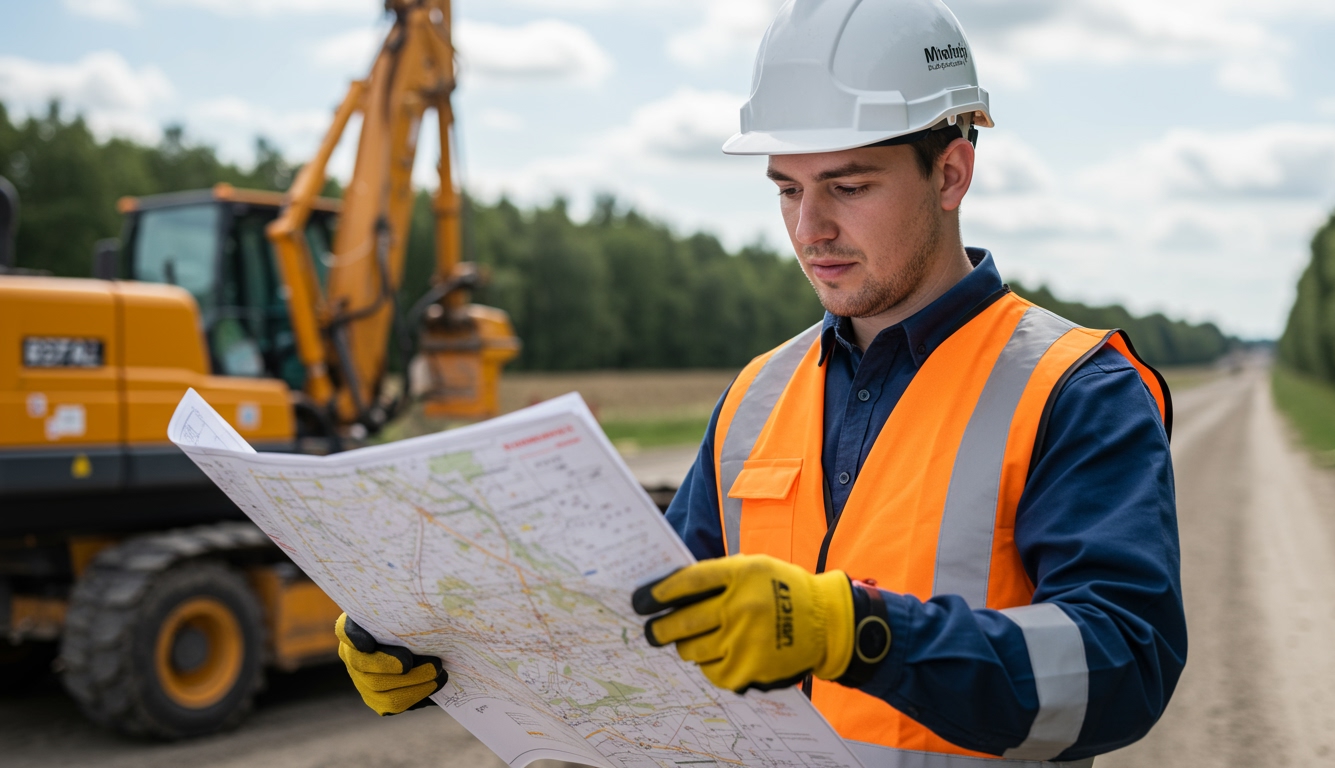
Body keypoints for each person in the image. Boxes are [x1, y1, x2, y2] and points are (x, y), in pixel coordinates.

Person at [335, 1, 1186, 766]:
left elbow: (1124, 666)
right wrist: (448, 642)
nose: (810, 229)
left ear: (952, 174)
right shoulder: (757, 393)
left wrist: (860, 633)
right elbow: (651, 627)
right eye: (786, 189)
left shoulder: (1077, 386)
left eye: (848, 187)